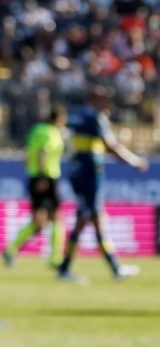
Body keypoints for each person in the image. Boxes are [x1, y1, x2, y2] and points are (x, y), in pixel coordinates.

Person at [56, 90, 150, 284]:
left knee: (91, 219)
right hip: (90, 175)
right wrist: (134, 161)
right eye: (105, 101)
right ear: (95, 99)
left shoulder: (74, 114)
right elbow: (110, 145)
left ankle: (112, 268)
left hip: (76, 171)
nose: (107, 105)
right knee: (88, 218)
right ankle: (69, 269)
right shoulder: (95, 117)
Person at [3, 107, 67, 268]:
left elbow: (28, 152)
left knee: (44, 220)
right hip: (46, 177)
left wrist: (32, 171)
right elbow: (43, 153)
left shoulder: (36, 130)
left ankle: (12, 250)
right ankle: (55, 259)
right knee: (51, 218)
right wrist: (43, 177)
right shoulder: (50, 132)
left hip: (34, 176)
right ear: (57, 119)